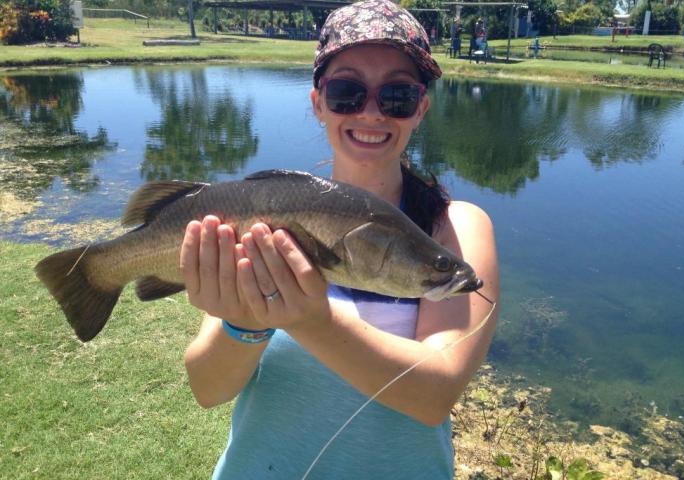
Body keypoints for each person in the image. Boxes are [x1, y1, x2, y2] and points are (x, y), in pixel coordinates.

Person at [181, 0, 499, 478]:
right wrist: (244, 323)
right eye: (348, 91)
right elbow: (208, 389)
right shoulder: (265, 215)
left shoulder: (457, 230)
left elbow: (433, 396)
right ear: (318, 103)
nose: (371, 113)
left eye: (397, 96)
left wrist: (312, 319)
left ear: (421, 109)